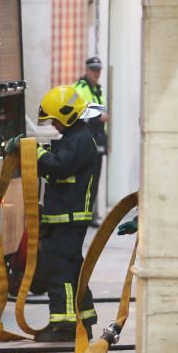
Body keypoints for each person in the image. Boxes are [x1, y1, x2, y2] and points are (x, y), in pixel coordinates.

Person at [4, 85, 100, 342]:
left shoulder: (79, 141)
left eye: (55, 120)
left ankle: (64, 326)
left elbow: (58, 167)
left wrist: (32, 151)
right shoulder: (76, 138)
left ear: (67, 116)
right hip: (64, 220)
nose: (54, 126)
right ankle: (84, 320)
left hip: (67, 221)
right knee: (72, 270)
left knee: (60, 273)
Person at [74, 57, 109, 227]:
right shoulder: (80, 87)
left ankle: (89, 215)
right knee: (84, 180)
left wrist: (107, 141)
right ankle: (82, 214)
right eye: (94, 69)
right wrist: (98, 115)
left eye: (99, 70)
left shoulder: (97, 89)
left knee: (95, 180)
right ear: (87, 70)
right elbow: (79, 108)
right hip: (86, 142)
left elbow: (103, 119)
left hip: (98, 141)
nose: (97, 73)